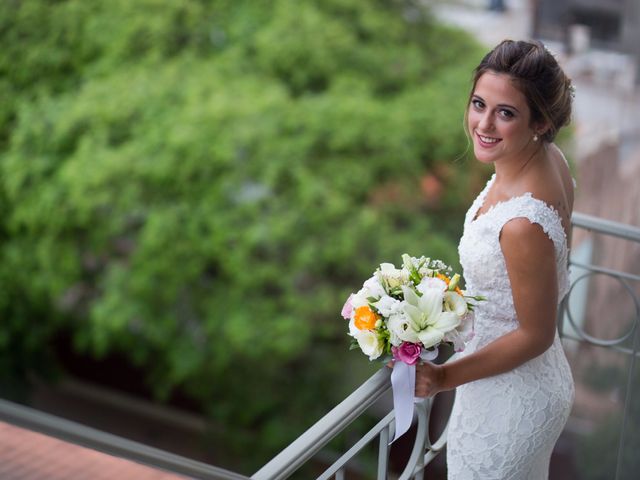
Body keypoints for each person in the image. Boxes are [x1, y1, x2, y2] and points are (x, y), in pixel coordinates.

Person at [414, 40, 575, 479]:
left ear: (540, 121)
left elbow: (535, 334)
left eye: (506, 113)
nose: (484, 124)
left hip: (510, 395)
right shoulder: (550, 159)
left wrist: (445, 378)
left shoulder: (523, 223)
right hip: (520, 377)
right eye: (479, 104)